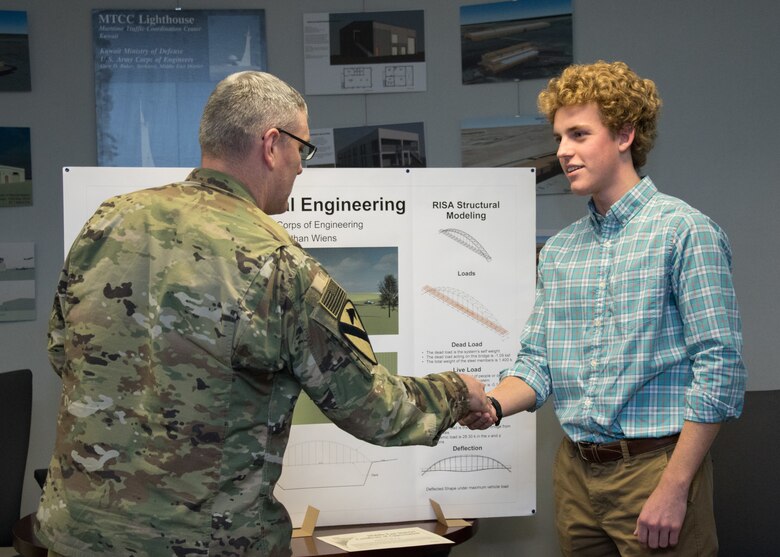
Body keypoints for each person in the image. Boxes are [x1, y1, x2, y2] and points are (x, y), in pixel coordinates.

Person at [37, 71, 491, 557]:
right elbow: (377, 411)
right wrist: (459, 391)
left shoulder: (108, 221)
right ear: (272, 145)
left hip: (75, 536)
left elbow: (63, 351)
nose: (301, 167)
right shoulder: (282, 266)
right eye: (303, 150)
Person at [463, 61, 746, 555]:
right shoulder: (559, 251)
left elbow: (720, 370)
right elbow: (537, 363)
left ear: (624, 134)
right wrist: (490, 405)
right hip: (575, 477)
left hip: (657, 470)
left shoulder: (684, 232)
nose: (563, 152)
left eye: (578, 134)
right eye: (558, 137)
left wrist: (675, 487)